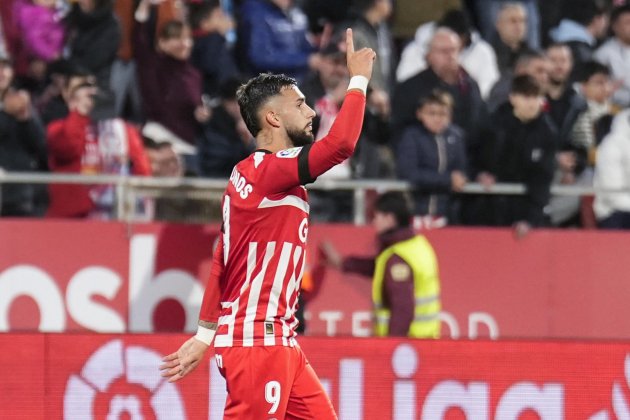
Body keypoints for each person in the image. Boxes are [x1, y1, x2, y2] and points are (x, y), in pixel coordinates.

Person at [159, 29, 375, 418]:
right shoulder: (268, 172)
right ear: (273, 117)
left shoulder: (246, 175)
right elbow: (341, 145)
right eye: (301, 104)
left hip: (280, 341)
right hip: (258, 342)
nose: (312, 112)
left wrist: (205, 334)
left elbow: (221, 259)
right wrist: (357, 80)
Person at [320, 191, 442, 338]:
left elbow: (402, 310)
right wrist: (343, 263)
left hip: (408, 348)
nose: (373, 222)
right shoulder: (417, 245)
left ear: (389, 219)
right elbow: (379, 267)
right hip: (426, 341)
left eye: (376, 216)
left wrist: (390, 349)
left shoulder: (398, 258)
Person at [479, 74, 557, 234]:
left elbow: (543, 178)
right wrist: (479, 174)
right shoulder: (493, 125)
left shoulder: (547, 132)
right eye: (526, 97)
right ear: (513, 98)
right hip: (488, 209)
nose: (532, 103)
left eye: (536, 97)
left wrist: (530, 219)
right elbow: (475, 155)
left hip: (521, 209)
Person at [396, 90, 467, 225]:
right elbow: (409, 173)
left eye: (443, 114)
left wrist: (461, 178)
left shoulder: (456, 136)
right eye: (432, 113)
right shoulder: (412, 136)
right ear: (420, 114)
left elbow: (462, 169)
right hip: (416, 212)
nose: (437, 119)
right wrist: (447, 180)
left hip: (448, 214)